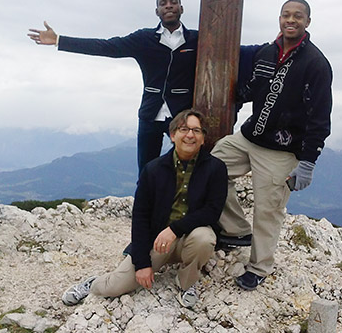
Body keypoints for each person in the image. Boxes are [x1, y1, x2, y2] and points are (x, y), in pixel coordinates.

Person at [211, 0, 333, 290]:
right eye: (286, 15)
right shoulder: (267, 52)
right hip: (249, 137)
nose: (291, 20)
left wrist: (307, 162)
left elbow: (320, 117)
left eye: (298, 16)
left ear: (308, 22)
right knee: (212, 166)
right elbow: (255, 87)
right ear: (279, 18)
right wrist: (237, 97)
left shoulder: (316, 64)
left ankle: (259, 267)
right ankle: (238, 229)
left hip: (281, 150)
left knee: (268, 210)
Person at [61, 109, 228, 308]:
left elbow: (212, 211)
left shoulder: (216, 168)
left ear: (202, 139)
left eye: (196, 130)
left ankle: (186, 282)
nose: (190, 135)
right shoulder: (154, 170)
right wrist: (141, 263)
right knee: (116, 286)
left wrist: (174, 230)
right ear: (173, 135)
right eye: (184, 129)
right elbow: (140, 216)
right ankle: (92, 284)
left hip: (189, 238)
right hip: (157, 241)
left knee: (204, 238)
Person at [28, 0, 198, 175]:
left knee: (187, 170)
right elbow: (107, 46)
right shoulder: (144, 39)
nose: (168, 6)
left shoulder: (197, 40)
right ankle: (145, 204)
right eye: (163, 3)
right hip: (150, 115)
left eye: (173, 2)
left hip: (182, 116)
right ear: (157, 11)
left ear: (181, 8)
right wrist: (59, 40)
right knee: (146, 172)